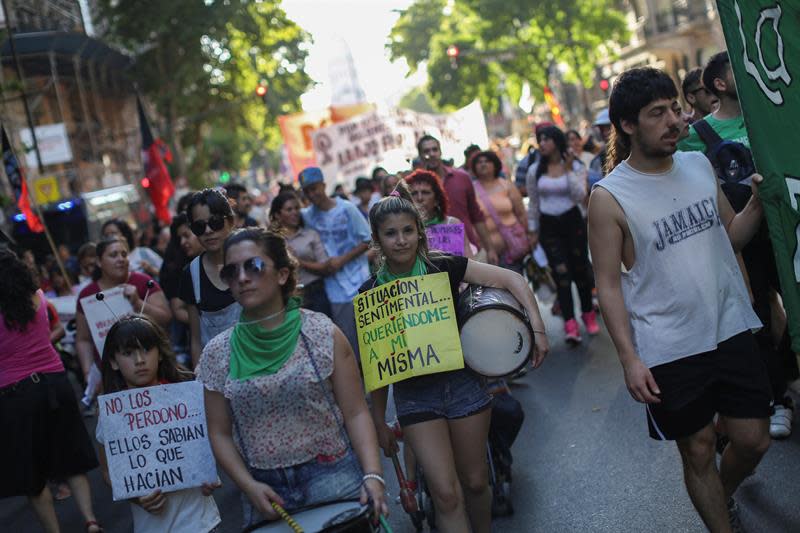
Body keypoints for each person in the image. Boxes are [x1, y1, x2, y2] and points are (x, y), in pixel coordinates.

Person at [588, 67, 770, 532]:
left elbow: (729, 236)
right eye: (657, 113)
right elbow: (608, 285)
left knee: (752, 441)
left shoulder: (696, 165)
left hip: (728, 325)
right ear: (628, 125)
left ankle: (719, 496)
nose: (674, 120)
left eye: (675, 108)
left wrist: (756, 203)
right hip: (668, 343)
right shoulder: (609, 197)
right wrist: (629, 358)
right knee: (698, 447)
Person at [366, 181, 548, 533]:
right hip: (415, 397)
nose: (401, 240)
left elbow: (512, 280)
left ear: (420, 233)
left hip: (463, 385)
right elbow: (376, 364)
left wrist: (537, 330)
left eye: (408, 231)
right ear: (378, 241)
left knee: (476, 482)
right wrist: (378, 422)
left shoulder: (445, 266)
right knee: (446, 495)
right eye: (391, 234)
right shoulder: (371, 294)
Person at [198, 227, 388, 527]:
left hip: (334, 481)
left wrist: (374, 475)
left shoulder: (322, 333)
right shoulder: (216, 353)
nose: (243, 278)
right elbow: (219, 433)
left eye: (255, 266)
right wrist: (248, 485)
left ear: (283, 274)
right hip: (265, 494)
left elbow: (355, 412)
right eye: (231, 272)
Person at [679, 50, 798, 439]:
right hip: (741, 241)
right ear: (719, 84)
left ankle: (788, 375)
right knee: (760, 317)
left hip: (786, 231)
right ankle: (778, 398)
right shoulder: (695, 138)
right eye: (736, 70)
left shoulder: (769, 117)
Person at [0, 249, 103, 533]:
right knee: (70, 458)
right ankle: (90, 519)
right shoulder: (39, 298)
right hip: (56, 382)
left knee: (32, 478)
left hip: (15, 393)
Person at [96, 315, 221, 533]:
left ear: (160, 353)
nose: (139, 360)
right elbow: (108, 472)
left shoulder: (186, 399)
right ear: (114, 362)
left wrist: (209, 474)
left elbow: (210, 445)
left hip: (202, 523)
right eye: (128, 353)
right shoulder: (111, 415)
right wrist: (136, 497)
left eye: (146, 349)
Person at [75, 237, 172, 412]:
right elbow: (83, 339)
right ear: (99, 261)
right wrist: (89, 374)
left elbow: (166, 318)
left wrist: (137, 303)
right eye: (113, 255)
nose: (121, 259)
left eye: (124, 254)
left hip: (153, 372)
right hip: (111, 378)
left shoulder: (143, 282)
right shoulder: (87, 295)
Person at [526, 126, 598, 344]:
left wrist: (567, 171)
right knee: (561, 275)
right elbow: (534, 203)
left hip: (572, 222)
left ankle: (588, 314)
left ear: (557, 141)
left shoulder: (575, 165)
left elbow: (580, 195)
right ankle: (570, 325)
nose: (543, 143)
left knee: (581, 272)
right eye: (540, 139)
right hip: (549, 227)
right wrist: (532, 230)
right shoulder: (535, 170)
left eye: (547, 139)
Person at [298, 167, 371, 355]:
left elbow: (368, 240)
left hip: (360, 281)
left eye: (315, 188)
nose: (312, 194)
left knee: (371, 336)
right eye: (307, 191)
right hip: (334, 289)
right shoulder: (307, 216)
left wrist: (342, 260)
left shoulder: (346, 208)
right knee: (349, 342)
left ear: (323, 185)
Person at [178, 189, 241, 368]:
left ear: (230, 221)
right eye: (199, 227)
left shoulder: (251, 260)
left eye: (215, 223)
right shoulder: (191, 274)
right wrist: (200, 381)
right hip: (218, 376)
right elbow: (196, 340)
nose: (208, 231)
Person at [417, 135, 498, 264]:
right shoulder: (416, 186)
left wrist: (490, 249)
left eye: (434, 149)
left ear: (440, 151)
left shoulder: (462, 178)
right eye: (426, 151)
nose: (431, 154)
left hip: (469, 251)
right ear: (420, 155)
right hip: (434, 259)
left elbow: (476, 215)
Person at [269, 191, 332, 315]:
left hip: (316, 293)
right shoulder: (273, 241)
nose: (294, 213)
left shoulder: (310, 234)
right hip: (289, 297)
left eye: (297, 208)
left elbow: (325, 266)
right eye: (289, 209)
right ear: (277, 214)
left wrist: (297, 260)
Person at [472, 150, 529, 273]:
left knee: (515, 286)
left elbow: (521, 213)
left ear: (495, 164)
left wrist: (529, 237)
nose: (483, 164)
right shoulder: (471, 190)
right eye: (479, 162)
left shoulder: (506, 186)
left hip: (513, 248)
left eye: (487, 161)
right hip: (487, 253)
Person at [159, 213, 204, 365]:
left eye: (186, 235)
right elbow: (178, 310)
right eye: (180, 239)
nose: (183, 242)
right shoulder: (181, 271)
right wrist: (209, 321)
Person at [406, 169, 471, 257]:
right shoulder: (404, 229)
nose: (419, 198)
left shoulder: (452, 224)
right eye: (414, 193)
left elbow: (468, 261)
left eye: (425, 193)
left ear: (437, 199)